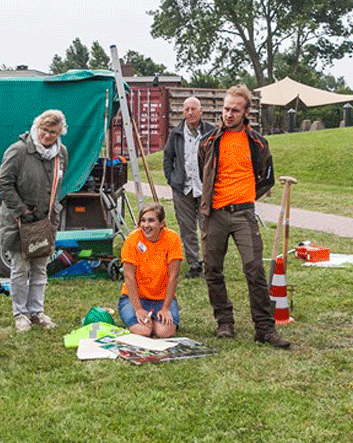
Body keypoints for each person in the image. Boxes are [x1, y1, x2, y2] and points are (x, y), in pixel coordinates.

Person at [199, 85, 290, 349]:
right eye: (226, 109)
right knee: (212, 269)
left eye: (234, 110)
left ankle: (264, 328)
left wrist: (246, 197)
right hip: (214, 214)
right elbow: (203, 170)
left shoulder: (258, 142)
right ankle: (224, 321)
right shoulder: (209, 141)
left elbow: (268, 178)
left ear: (246, 112)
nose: (228, 114)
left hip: (243, 214)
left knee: (254, 270)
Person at [0, 109, 68, 332]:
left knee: (41, 268)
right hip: (21, 222)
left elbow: (59, 184)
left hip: (46, 221)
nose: (48, 136)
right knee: (20, 268)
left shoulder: (61, 153)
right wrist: (21, 210)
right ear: (37, 128)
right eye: (44, 130)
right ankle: (20, 313)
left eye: (53, 133)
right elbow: (4, 183)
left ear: (59, 134)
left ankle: (36, 311)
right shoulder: (18, 151)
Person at [163, 96, 215, 279]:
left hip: (205, 188)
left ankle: (211, 264)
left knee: (208, 227)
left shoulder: (211, 131)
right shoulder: (176, 133)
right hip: (182, 188)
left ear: (201, 111)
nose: (190, 112)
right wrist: (172, 179)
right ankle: (194, 264)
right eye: (187, 109)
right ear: (183, 113)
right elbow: (167, 157)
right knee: (187, 228)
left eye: (194, 109)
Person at [118, 204, 183, 338]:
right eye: (143, 220)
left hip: (162, 299)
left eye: (151, 220)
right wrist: (138, 309)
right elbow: (129, 276)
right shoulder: (132, 239)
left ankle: (155, 318)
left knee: (164, 332)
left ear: (162, 224)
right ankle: (147, 319)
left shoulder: (173, 239)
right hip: (135, 298)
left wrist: (165, 309)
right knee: (144, 331)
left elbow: (173, 277)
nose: (146, 225)